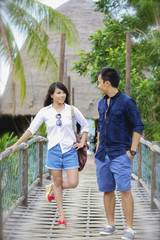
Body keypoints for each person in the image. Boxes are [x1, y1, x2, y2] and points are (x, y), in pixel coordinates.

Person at [8, 82, 89, 228]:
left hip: (70, 150)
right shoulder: (45, 111)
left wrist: (82, 142)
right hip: (53, 151)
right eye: (58, 93)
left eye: (63, 92)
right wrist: (16, 144)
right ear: (51, 95)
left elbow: (85, 125)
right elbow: (31, 130)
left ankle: (53, 189)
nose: (62, 95)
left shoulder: (71, 110)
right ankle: (61, 215)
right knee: (58, 182)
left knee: (73, 183)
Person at [94, 67, 144, 240]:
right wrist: (96, 150)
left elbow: (138, 126)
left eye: (99, 82)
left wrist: (132, 151)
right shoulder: (101, 103)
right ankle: (111, 224)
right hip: (103, 155)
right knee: (107, 190)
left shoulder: (127, 102)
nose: (98, 85)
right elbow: (100, 127)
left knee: (124, 191)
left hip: (120, 154)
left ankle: (129, 229)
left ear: (107, 83)